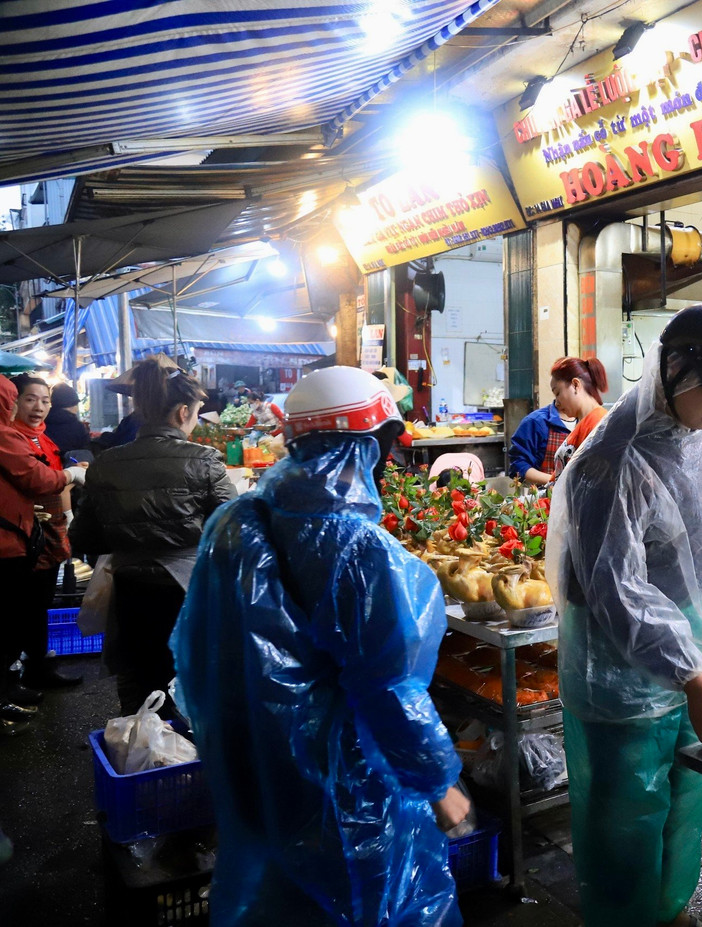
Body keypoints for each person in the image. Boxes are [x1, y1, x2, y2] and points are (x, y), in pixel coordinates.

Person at [170, 366, 468, 927]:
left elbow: (198, 651)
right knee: (364, 904)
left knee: (282, 897)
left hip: (254, 759)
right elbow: (388, 687)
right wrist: (438, 784)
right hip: (340, 777)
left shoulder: (235, 519)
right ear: (364, 446)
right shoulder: (360, 548)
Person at [549, 304, 702, 927]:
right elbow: (615, 589)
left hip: (687, 663)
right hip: (623, 672)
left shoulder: (696, 436)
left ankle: (672, 908)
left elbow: (696, 523)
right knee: (628, 816)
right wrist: (688, 675)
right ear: (674, 373)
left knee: (685, 803)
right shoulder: (612, 460)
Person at [70, 360, 236, 715]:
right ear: (182, 412)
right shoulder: (206, 461)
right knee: (193, 688)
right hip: (189, 594)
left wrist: (131, 538)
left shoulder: (105, 463)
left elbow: (83, 538)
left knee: (140, 695)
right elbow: (233, 534)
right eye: (195, 413)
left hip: (131, 595)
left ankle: (142, 761)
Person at [0, 376, 88, 706]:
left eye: (45, 400)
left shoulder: (41, 438)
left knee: (37, 606)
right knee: (19, 612)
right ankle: (14, 680)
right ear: (13, 403)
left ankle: (36, 667)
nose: (39, 407)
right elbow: (38, 480)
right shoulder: (10, 438)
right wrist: (69, 476)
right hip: (22, 537)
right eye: (28, 400)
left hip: (46, 534)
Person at [508, 366, 576, 485]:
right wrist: (555, 482)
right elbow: (518, 466)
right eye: (557, 393)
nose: (558, 399)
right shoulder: (536, 422)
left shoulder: (589, 421)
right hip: (546, 499)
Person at [44, 383, 88, 458]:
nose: (77, 409)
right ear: (72, 404)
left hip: (49, 465)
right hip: (73, 465)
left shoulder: (42, 423)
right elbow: (85, 450)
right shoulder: (77, 427)